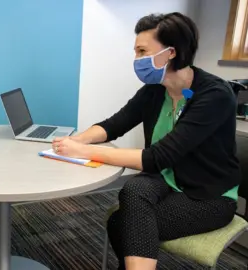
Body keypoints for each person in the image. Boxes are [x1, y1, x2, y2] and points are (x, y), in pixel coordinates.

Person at [52, 12, 240, 270]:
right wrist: (76, 140)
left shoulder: (214, 95)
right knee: (133, 191)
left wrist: (83, 151)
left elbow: (155, 158)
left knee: (122, 224)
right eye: (136, 52)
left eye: (142, 51)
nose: (137, 59)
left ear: (171, 52)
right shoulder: (155, 90)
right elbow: (114, 124)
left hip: (208, 196)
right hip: (166, 178)